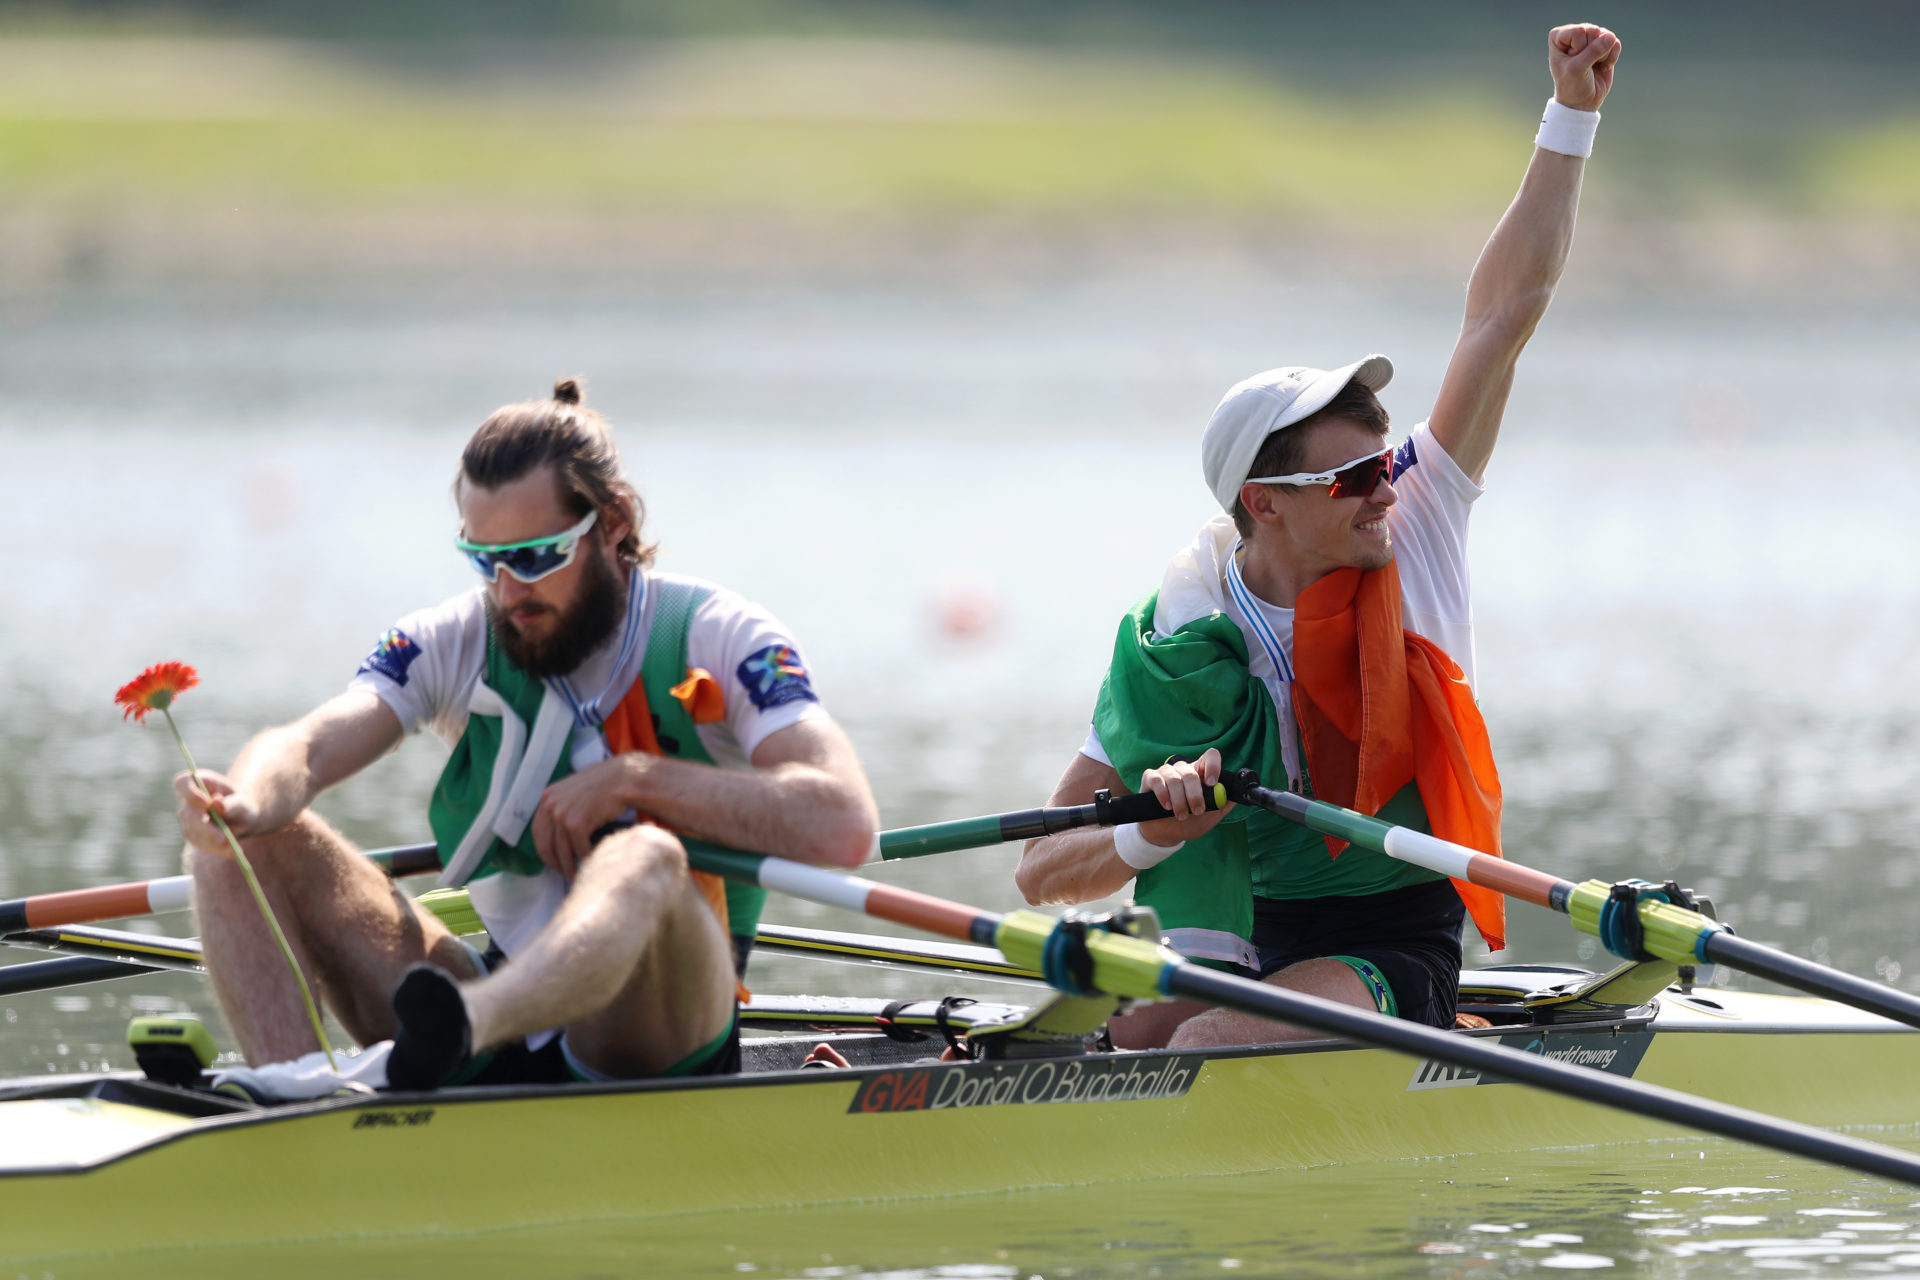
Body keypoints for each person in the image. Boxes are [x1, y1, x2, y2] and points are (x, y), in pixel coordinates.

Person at [1015, 24, 1621, 1050]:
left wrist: (1572, 115)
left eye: (1381, 464)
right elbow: (1040, 873)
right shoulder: (1182, 630)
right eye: (1347, 477)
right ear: (1264, 503)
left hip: (1395, 936)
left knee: (1206, 1043)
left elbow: (1503, 313)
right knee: (1115, 1039)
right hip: (1246, 936)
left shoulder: (1421, 517)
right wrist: (1156, 826)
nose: (1382, 490)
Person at [176, 379, 878, 1088]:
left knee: (646, 854)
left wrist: (638, 779)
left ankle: (463, 1029)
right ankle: (294, 1105)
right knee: (237, 836)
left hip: (660, 1028)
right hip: (490, 993)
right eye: (486, 561)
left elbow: (843, 821)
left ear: (613, 524)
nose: (510, 591)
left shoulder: (721, 637)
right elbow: (307, 745)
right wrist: (247, 800)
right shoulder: (457, 636)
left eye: (538, 556)